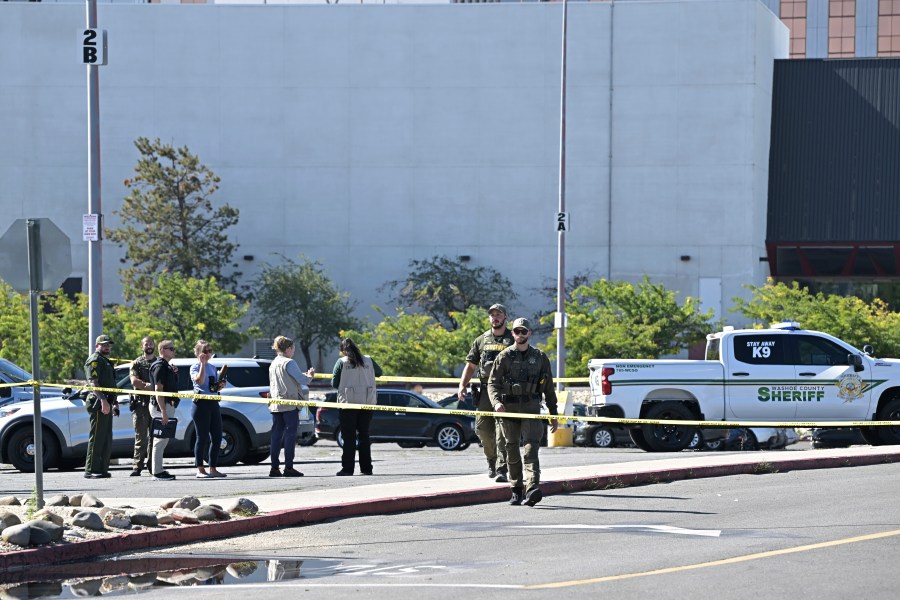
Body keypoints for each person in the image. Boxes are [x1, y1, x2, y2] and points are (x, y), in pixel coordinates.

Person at [487, 318, 558, 507]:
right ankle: (516, 489)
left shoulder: (540, 357)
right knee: (511, 449)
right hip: (509, 409)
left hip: (531, 408)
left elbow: (549, 389)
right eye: (517, 331)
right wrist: (495, 403)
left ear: (529, 333)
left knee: (530, 449)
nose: (520, 334)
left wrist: (554, 414)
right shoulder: (504, 356)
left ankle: (532, 488)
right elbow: (492, 383)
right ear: (512, 334)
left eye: (523, 331)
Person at [457, 303, 515, 482]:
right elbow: (471, 365)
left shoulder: (513, 338)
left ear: (505, 317)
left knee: (501, 431)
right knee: (482, 429)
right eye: (492, 315)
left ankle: (501, 468)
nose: (495, 317)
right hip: (484, 391)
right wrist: (462, 385)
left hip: (505, 391)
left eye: (499, 314)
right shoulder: (481, 340)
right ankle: (491, 460)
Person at [331, 338, 382, 476]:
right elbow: (379, 372)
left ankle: (347, 469)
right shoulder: (369, 360)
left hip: (348, 403)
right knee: (364, 435)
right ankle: (366, 468)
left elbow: (334, 383)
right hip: (367, 402)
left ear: (343, 351)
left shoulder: (341, 362)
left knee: (349, 438)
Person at [268, 336, 315, 478]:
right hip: (289, 403)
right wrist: (310, 375)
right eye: (293, 348)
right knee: (290, 434)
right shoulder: (289, 362)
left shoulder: (273, 363)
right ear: (288, 348)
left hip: (276, 403)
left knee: (276, 435)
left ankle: (274, 468)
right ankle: (289, 467)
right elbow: (302, 380)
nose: (293, 351)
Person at [84, 334, 119, 479]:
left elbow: (111, 384)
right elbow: (94, 383)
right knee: (97, 437)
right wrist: (103, 401)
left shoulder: (106, 361)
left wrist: (114, 402)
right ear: (97, 346)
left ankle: (102, 468)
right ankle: (91, 469)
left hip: (107, 401)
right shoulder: (95, 360)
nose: (107, 347)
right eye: (104, 344)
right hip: (98, 402)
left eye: (108, 344)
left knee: (106, 437)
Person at [190, 339, 226, 479]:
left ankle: (213, 467)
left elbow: (213, 386)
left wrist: (221, 384)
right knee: (202, 437)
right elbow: (199, 380)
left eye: (210, 351)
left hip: (213, 402)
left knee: (217, 436)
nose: (208, 354)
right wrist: (202, 365)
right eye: (205, 351)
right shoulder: (195, 367)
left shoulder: (212, 367)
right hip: (200, 404)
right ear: (199, 353)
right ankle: (200, 469)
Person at [149, 340, 180, 481]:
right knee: (160, 439)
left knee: (163, 439)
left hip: (166, 405)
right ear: (162, 350)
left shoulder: (166, 366)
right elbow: (158, 389)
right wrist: (163, 411)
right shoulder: (160, 366)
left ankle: (158, 469)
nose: (174, 350)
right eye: (170, 348)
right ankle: (157, 472)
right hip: (160, 406)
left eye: (174, 348)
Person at [128, 336, 156, 477]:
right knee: (140, 437)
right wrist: (147, 386)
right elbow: (134, 381)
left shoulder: (159, 363)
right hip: (141, 405)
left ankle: (153, 466)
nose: (149, 346)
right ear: (142, 347)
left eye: (151, 343)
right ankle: (137, 466)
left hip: (156, 404)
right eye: (146, 344)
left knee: (154, 437)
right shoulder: (137, 363)